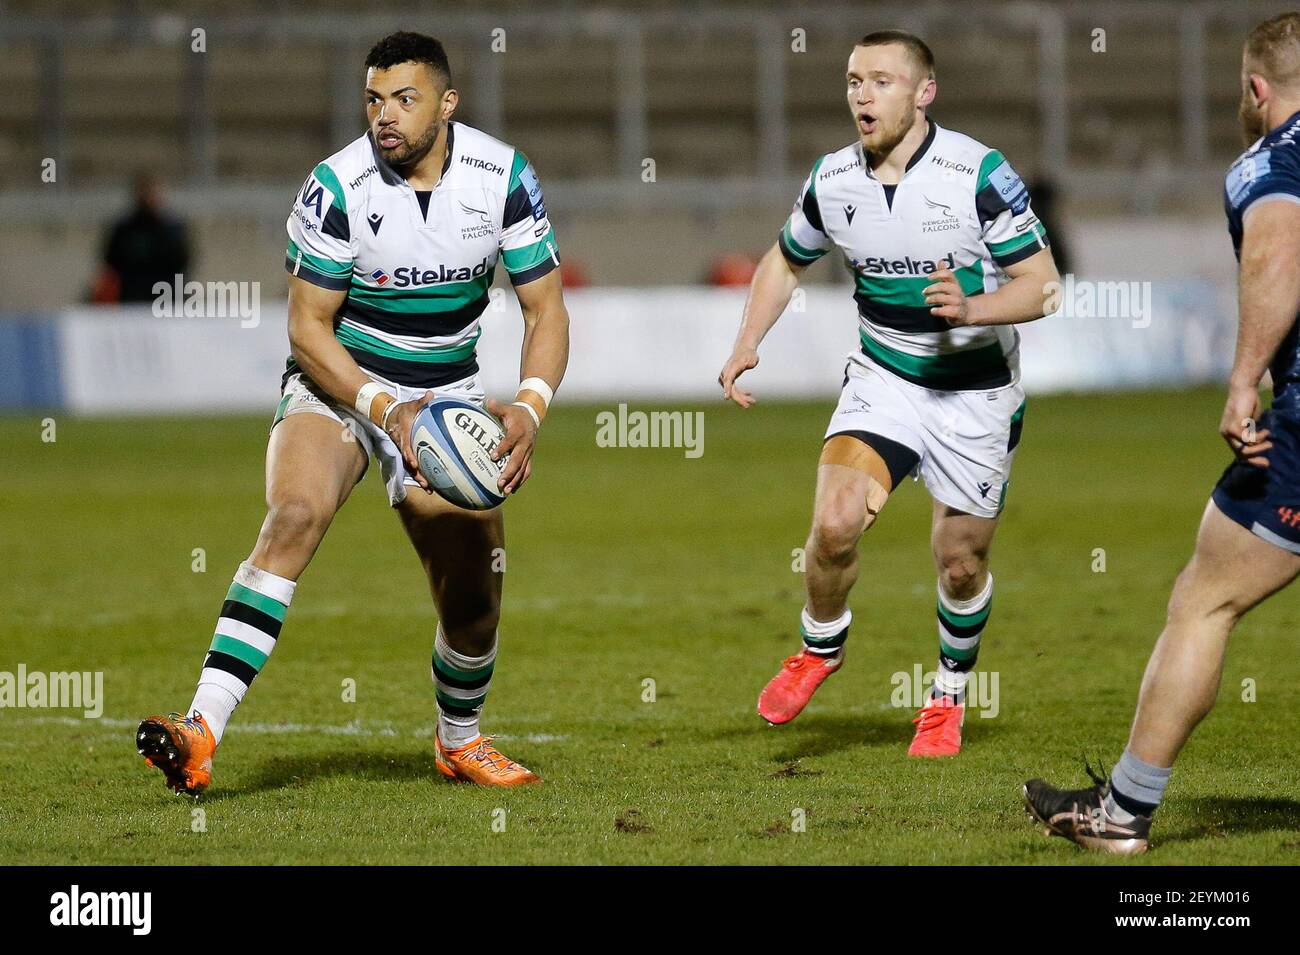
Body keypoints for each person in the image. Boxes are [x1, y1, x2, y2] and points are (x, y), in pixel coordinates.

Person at [135, 31, 570, 792]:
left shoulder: (503, 176)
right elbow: (307, 328)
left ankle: (458, 740)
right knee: (295, 512)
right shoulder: (336, 187)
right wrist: (383, 407)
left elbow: (546, 309)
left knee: (473, 596)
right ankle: (200, 727)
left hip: (448, 397)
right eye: (373, 99)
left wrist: (530, 408)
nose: (385, 117)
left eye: (405, 99)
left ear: (447, 103)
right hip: (340, 384)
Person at [718, 30, 1059, 756]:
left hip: (976, 390)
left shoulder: (979, 173)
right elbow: (784, 260)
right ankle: (821, 646)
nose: (862, 96)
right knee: (836, 521)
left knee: (960, 559)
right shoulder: (833, 179)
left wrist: (973, 308)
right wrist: (749, 338)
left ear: (923, 91)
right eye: (852, 81)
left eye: (880, 81)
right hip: (887, 376)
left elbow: (1044, 285)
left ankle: (946, 697)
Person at [1024, 12, 1300, 854]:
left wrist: (1242, 377)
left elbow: (1280, 255)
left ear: (1256, 89)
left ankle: (1121, 815)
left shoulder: (1272, 159)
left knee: (1203, 600)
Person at [101, 174, 190, 303]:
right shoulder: (124, 228)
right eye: (146, 193)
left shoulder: (173, 228)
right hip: (132, 292)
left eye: (153, 193)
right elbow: (111, 259)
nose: (150, 198)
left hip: (167, 293)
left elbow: (182, 260)